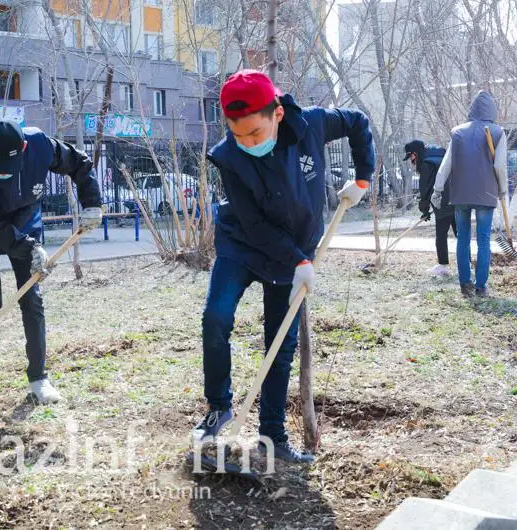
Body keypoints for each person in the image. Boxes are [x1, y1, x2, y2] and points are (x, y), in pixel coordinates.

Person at [192, 70, 375, 463]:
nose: (247, 143)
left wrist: (362, 179)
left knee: (281, 343)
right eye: (237, 135)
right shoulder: (228, 156)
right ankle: (219, 407)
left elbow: (358, 123)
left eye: (254, 134)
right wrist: (299, 261)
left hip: (295, 249)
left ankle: (272, 435)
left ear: (276, 113)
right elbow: (254, 225)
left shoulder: (311, 124)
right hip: (243, 243)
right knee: (216, 316)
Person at [0, 114, 103, 407]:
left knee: (31, 299)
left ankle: (38, 378)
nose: (5, 173)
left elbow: (80, 164)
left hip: (24, 218)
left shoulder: (41, 145)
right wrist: (27, 246)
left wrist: (92, 202)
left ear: (24, 149)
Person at [432, 90, 508, 297]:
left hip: (461, 193)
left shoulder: (457, 132)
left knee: (463, 238)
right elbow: (500, 166)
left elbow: (446, 164)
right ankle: (481, 286)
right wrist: (502, 190)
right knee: (483, 239)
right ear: (492, 109)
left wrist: (437, 189)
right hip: (486, 193)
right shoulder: (498, 132)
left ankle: (464, 284)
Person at [404, 140, 456, 278]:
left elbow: (426, 189)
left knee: (441, 234)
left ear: (415, 153)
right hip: (458, 197)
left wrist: (425, 209)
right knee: (461, 233)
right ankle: (468, 265)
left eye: (410, 157)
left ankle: (443, 266)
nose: (411, 160)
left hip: (442, 201)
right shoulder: (441, 153)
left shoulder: (426, 164)